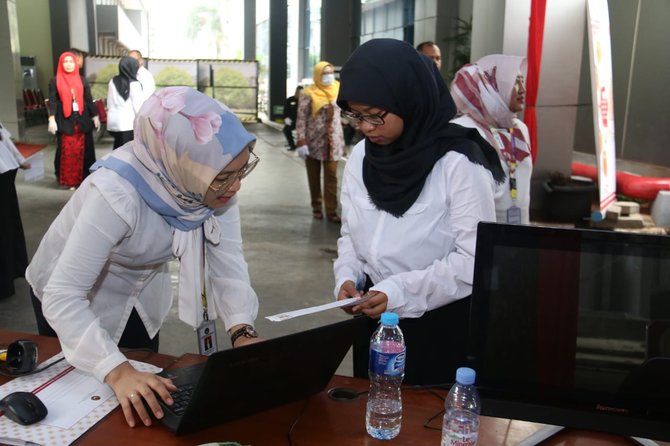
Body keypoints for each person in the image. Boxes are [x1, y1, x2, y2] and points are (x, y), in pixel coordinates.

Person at [26, 86, 262, 428]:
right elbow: (64, 295)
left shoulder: (213, 187)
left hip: (141, 291)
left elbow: (228, 263)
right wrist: (117, 370)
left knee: (142, 395)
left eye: (240, 172)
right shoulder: (115, 193)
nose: (235, 186)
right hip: (69, 298)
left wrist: (243, 332)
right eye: (224, 177)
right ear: (179, 161)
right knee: (81, 406)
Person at [334, 38, 504, 385]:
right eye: (355, 115)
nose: (365, 127)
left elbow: (474, 261)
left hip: (438, 324)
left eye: (375, 115)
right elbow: (351, 233)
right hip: (373, 318)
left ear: (408, 99)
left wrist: (399, 291)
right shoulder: (361, 158)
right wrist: (347, 276)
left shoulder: (458, 162)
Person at [450, 54, 532, 224]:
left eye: (522, 81)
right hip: (479, 234)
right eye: (515, 82)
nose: (523, 89)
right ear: (492, 88)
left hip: (520, 233)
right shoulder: (465, 129)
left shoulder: (519, 128)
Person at [295, 61, 345, 223]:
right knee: (314, 176)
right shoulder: (309, 93)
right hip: (313, 141)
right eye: (324, 73)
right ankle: (316, 206)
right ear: (317, 75)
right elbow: (301, 118)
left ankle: (331, 210)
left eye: (330, 72)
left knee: (332, 177)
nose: (328, 76)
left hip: (334, 141)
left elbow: (347, 112)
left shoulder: (338, 90)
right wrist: (301, 140)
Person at [47, 51, 100, 189]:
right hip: (65, 121)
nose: (69, 64)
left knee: (85, 150)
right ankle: (69, 180)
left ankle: (84, 179)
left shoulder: (82, 80)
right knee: (67, 151)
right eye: (66, 62)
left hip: (82, 120)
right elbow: (52, 100)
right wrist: (51, 118)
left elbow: (88, 99)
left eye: (71, 62)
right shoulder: (55, 80)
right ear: (61, 63)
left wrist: (95, 115)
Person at [0, 122, 30, 299]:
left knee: (6, 226)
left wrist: (21, 160)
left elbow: (5, 139)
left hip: (5, 174)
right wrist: (19, 160)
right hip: (6, 172)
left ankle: (7, 275)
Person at [106, 56, 143, 149]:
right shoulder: (135, 84)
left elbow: (109, 102)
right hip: (127, 123)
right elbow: (138, 108)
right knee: (126, 150)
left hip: (113, 121)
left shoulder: (112, 81)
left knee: (117, 147)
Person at [282, 85, 303, 151]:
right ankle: (292, 145)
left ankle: (302, 145)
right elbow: (285, 110)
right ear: (296, 92)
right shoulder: (290, 100)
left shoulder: (304, 101)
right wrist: (286, 118)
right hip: (292, 121)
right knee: (286, 130)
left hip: (302, 121)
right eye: (299, 93)